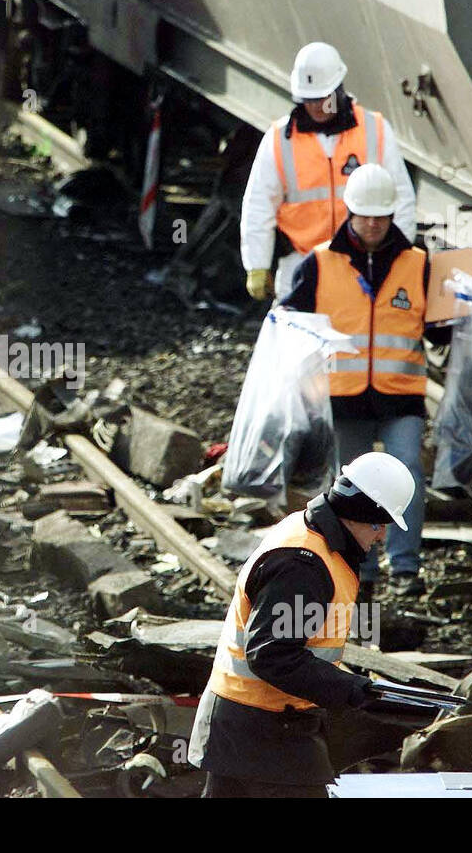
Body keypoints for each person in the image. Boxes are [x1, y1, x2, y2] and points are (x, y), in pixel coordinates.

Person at [189, 452, 415, 797]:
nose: (382, 536)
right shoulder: (303, 565)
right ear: (358, 514)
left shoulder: (312, 535)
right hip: (263, 730)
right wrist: (349, 689)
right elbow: (272, 655)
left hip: (248, 723)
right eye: (378, 524)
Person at [280, 163, 446, 596]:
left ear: (392, 216)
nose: (372, 225)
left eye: (381, 216)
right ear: (349, 212)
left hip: (401, 395)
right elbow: (290, 323)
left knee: (408, 469)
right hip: (345, 397)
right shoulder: (317, 264)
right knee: (352, 485)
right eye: (364, 215)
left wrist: (463, 301)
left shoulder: (420, 264)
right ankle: (363, 571)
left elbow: (441, 330)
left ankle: (406, 568)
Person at [239, 42, 415, 302]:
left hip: (363, 265)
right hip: (301, 264)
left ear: (339, 89)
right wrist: (257, 263)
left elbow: (400, 197)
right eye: (309, 100)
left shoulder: (374, 130)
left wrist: (397, 257)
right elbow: (258, 204)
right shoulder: (279, 140)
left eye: (323, 98)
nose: (316, 107)